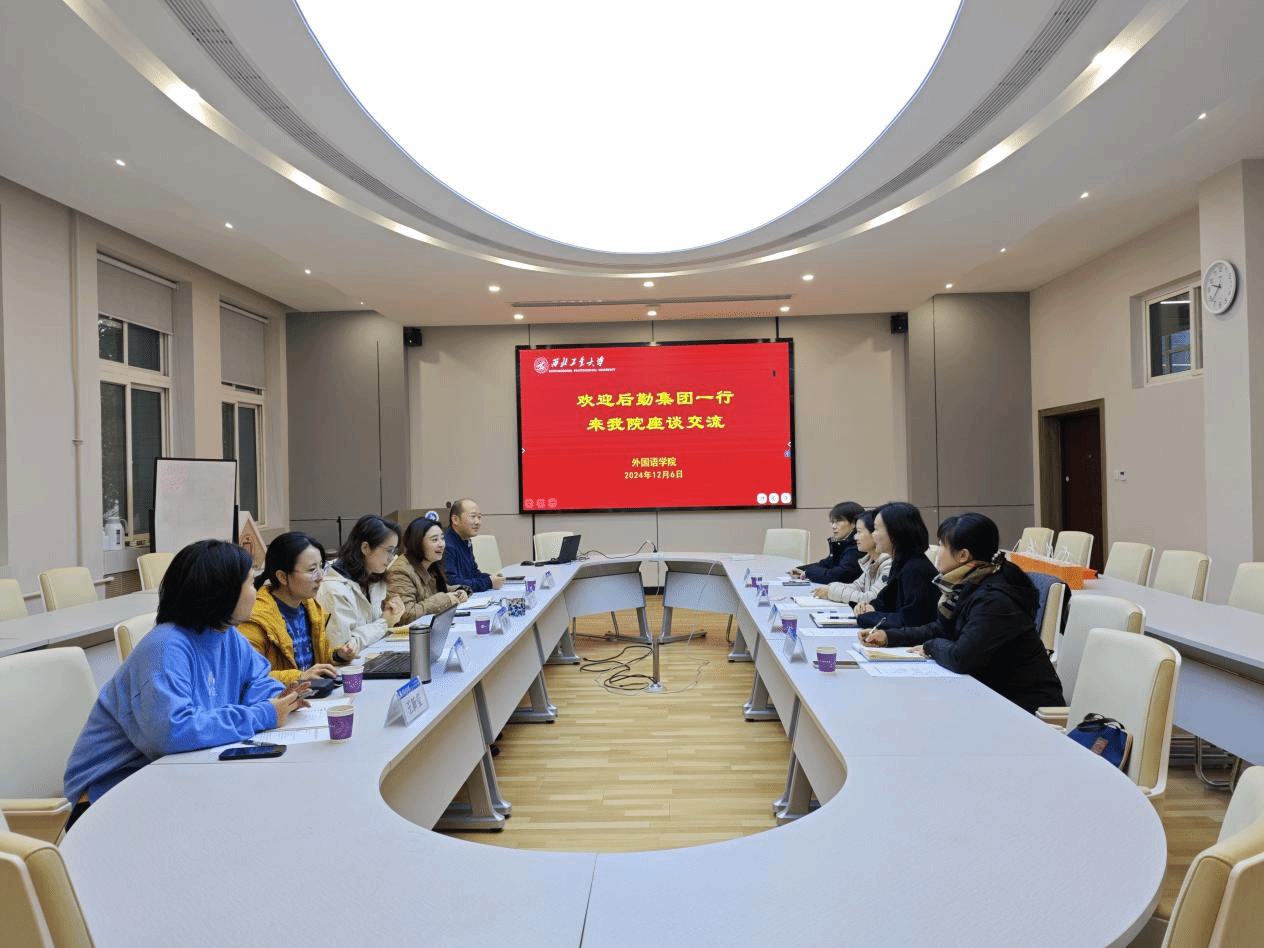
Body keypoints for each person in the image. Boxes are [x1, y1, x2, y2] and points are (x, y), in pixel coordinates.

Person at [62, 540, 306, 821]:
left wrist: (280, 698)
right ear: (223, 591)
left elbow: (255, 682)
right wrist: (263, 714)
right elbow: (172, 732)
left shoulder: (226, 634)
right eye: (251, 583)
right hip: (108, 793)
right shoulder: (166, 647)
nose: (257, 591)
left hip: (176, 771)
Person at [859, 512, 1066, 714]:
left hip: (1024, 708)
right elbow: (941, 629)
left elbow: (961, 657)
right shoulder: (970, 584)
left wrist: (930, 646)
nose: (938, 552)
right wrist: (889, 637)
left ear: (963, 556)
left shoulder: (994, 599)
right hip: (990, 693)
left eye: (942, 545)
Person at [238, 531, 355, 685]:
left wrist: (338, 655)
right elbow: (247, 677)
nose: (320, 577)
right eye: (312, 570)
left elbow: (316, 660)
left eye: (321, 567)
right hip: (280, 697)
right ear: (282, 577)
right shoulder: (256, 619)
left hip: (309, 695)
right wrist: (298, 677)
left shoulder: (310, 607)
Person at [317, 514, 406, 653]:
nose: (391, 558)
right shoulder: (333, 588)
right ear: (365, 548)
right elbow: (342, 649)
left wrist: (391, 612)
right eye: (389, 551)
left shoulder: (374, 578)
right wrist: (385, 622)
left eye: (394, 551)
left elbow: (373, 631)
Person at [853, 502, 938, 629]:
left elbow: (910, 621)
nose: (873, 534)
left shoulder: (915, 569)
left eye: (876, 529)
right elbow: (886, 600)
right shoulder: (901, 561)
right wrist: (869, 606)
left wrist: (865, 617)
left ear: (895, 532)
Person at [390, 516, 470, 623]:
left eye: (442, 538)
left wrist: (458, 592)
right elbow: (406, 614)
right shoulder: (401, 571)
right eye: (435, 540)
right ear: (418, 543)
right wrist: (446, 599)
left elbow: (432, 591)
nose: (441, 544)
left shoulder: (429, 563)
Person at [813, 508, 891, 604]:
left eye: (859, 532)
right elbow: (857, 586)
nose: (855, 537)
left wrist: (831, 592)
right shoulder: (870, 560)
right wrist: (830, 587)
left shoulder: (888, 564)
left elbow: (872, 598)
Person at [791, 501, 864, 584]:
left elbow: (837, 576)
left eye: (838, 521)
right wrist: (801, 569)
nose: (833, 526)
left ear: (854, 523)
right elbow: (827, 564)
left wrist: (808, 572)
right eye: (832, 522)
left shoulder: (857, 547)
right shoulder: (845, 544)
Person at [443, 498, 504, 591]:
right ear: (455, 520)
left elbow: (473, 573)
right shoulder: (446, 545)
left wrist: (491, 578)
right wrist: (489, 582)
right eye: (473, 517)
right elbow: (452, 582)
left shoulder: (465, 540)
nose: (477, 522)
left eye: (479, 517)